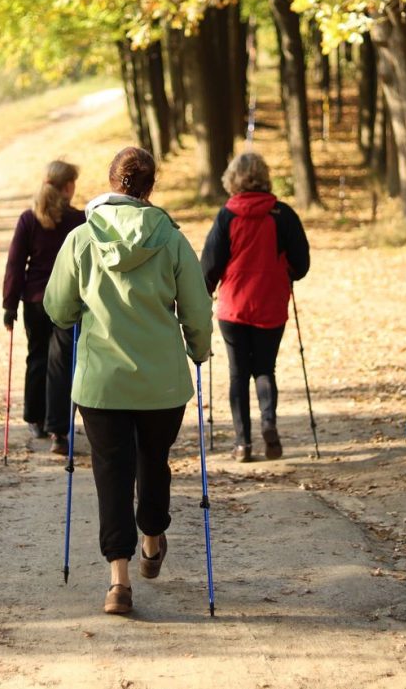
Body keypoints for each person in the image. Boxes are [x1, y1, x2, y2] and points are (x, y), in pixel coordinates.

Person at [44, 146, 212, 615]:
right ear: (149, 188)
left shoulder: (81, 239)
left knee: (111, 473)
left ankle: (118, 582)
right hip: (161, 383)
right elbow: (196, 308)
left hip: (101, 382)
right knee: (153, 460)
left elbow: (57, 308)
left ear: (112, 182)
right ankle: (153, 537)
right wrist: (198, 349)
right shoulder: (172, 239)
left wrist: (84, 307)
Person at [200, 152, 310, 463]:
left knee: (238, 374)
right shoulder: (283, 214)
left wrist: (203, 294)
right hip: (270, 303)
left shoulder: (227, 216)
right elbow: (301, 264)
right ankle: (269, 427)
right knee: (265, 368)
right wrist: (284, 272)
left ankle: (242, 444)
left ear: (232, 179)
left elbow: (209, 266)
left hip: (233, 306)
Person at [2, 160, 85, 456]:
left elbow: (15, 264)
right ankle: (58, 432)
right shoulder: (79, 220)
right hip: (66, 301)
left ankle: (35, 418)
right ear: (66, 187)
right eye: (73, 183)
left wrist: (9, 305)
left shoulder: (29, 219)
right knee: (62, 363)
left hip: (35, 301)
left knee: (37, 356)